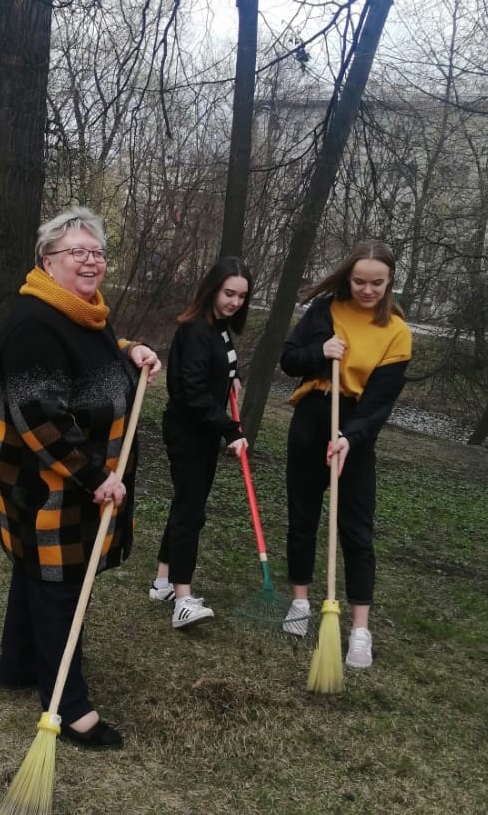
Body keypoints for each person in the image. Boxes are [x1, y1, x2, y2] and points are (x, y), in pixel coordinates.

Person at [0, 206, 161, 750]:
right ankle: (69, 705)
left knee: (35, 568)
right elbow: (39, 416)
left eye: (98, 252)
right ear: (48, 261)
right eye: (77, 252)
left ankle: (18, 665)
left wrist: (130, 350)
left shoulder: (84, 312)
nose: (91, 261)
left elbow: (94, 355)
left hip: (72, 477)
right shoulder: (33, 323)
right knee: (59, 581)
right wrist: (95, 475)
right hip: (46, 479)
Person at [279, 240, 412, 668]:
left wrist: (350, 439)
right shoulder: (325, 311)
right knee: (302, 516)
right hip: (312, 417)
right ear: (348, 277)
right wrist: (320, 352)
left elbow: (379, 402)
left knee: (356, 528)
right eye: (359, 281)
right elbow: (289, 360)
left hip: (356, 426)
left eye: (377, 283)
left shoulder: (396, 332)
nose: (367, 290)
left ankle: (359, 629)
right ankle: (300, 602)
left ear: (389, 282)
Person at [150, 257, 252, 628]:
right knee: (191, 512)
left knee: (187, 505)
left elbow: (215, 365)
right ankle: (182, 599)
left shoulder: (219, 327)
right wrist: (231, 429)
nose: (235, 302)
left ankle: (162, 582)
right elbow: (192, 392)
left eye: (241, 296)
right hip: (188, 432)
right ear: (212, 290)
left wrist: (230, 377)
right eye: (229, 293)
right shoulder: (195, 329)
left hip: (204, 432)